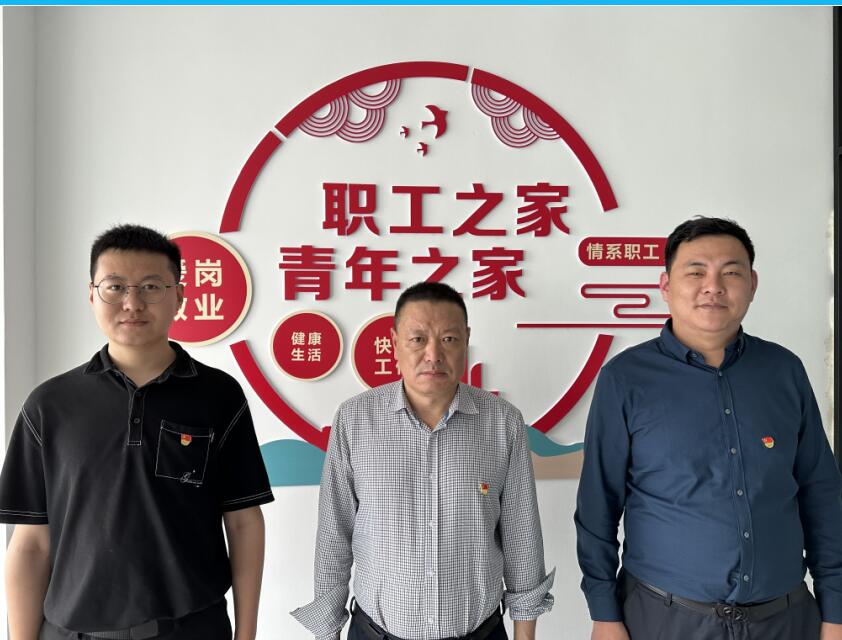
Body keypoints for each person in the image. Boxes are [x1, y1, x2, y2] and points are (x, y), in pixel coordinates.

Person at [0, 224, 274, 640]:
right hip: (72, 631)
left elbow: (243, 522)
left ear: (179, 296)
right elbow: (31, 544)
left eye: (151, 287)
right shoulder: (49, 405)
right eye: (115, 287)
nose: (132, 303)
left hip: (191, 629)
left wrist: (246, 633)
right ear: (92, 295)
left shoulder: (219, 396)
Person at [575, 216, 842, 640]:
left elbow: (821, 494)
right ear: (666, 286)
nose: (713, 286)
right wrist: (604, 615)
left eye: (731, 273)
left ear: (752, 284)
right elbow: (598, 507)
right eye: (696, 272)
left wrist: (836, 610)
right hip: (665, 620)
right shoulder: (624, 379)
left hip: (785, 620)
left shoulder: (784, 371)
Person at [292, 281, 554, 640]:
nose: (433, 354)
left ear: (466, 340)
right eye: (418, 339)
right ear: (395, 343)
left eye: (449, 339)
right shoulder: (355, 420)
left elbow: (522, 537)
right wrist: (327, 633)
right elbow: (333, 536)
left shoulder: (502, 422)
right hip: (375, 633)